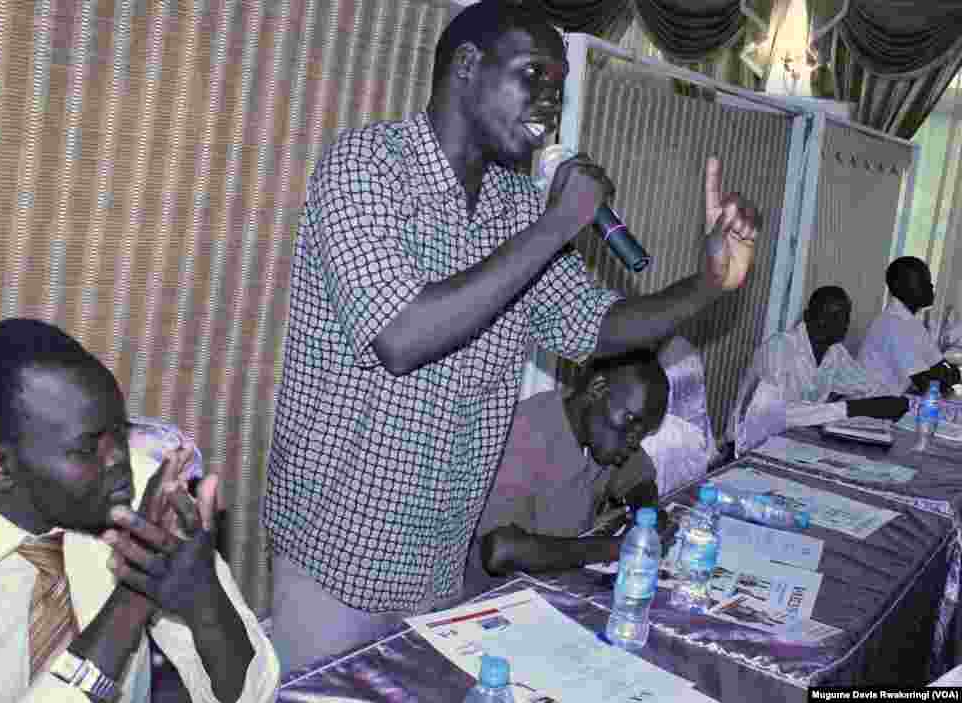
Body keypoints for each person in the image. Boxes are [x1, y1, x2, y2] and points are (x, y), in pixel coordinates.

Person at [264, 0, 761, 672]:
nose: (550, 103)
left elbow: (602, 325)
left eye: (559, 87)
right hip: (339, 553)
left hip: (439, 559)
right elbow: (401, 335)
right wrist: (557, 227)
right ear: (467, 68)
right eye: (535, 77)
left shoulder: (520, 207)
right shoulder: (367, 167)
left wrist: (706, 283)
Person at [0, 319, 279, 703]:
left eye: (118, 431)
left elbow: (255, 696)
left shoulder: (142, 493)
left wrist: (203, 598)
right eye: (87, 449)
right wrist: (131, 600)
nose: (120, 460)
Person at [464, 352, 669, 595]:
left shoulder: (605, 435)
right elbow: (500, 551)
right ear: (598, 389)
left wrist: (647, 517)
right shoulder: (525, 432)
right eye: (631, 420)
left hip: (556, 585)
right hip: (495, 597)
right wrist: (618, 548)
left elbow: (639, 478)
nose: (635, 441)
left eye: (643, 432)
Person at [729, 286, 909, 440]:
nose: (837, 324)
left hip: (795, 440)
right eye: (828, 316)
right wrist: (851, 408)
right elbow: (778, 414)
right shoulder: (779, 348)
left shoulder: (835, 353)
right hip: (750, 443)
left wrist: (893, 401)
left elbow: (869, 388)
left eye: (843, 317)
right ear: (807, 316)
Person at [858, 257, 961, 394]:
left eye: (929, 281)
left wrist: (949, 375)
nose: (930, 286)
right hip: (866, 405)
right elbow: (927, 384)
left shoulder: (911, 322)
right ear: (899, 287)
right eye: (922, 282)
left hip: (889, 402)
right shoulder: (893, 324)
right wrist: (948, 376)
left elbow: (939, 367)